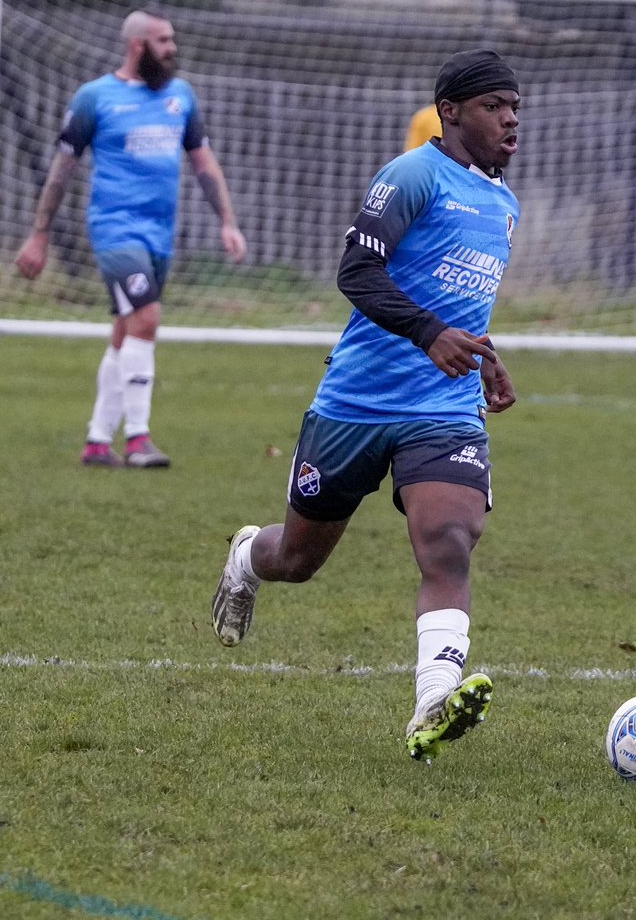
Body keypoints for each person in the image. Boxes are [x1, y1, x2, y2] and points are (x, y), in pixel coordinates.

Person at [211, 49, 521, 765]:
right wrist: (427, 332)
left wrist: (486, 358)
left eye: (516, 107)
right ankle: (243, 560)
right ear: (450, 112)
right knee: (297, 558)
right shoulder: (411, 174)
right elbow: (357, 271)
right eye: (494, 106)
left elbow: (458, 301)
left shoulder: (504, 203)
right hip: (355, 402)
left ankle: (431, 702)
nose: (510, 119)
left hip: (442, 407)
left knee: (450, 537)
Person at [15, 10, 247, 469]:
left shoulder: (180, 96)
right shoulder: (94, 97)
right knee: (146, 318)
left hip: (160, 235)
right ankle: (138, 439)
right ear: (137, 45)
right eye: (163, 40)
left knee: (126, 331)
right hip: (114, 229)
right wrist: (39, 235)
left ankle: (97, 442)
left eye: (172, 39)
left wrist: (228, 221)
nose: (172, 48)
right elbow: (62, 171)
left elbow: (203, 163)